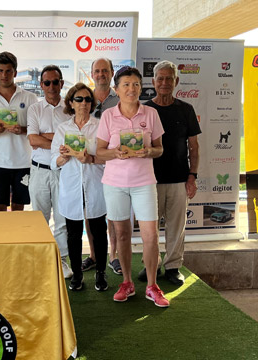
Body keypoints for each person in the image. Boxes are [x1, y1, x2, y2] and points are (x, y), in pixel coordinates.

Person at [96, 66, 169, 307]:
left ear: (141, 87)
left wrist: (150, 151)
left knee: (151, 236)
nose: (131, 89)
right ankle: (126, 282)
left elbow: (160, 149)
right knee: (123, 234)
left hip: (144, 182)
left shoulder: (150, 114)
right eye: (126, 84)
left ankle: (152, 285)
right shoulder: (108, 116)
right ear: (116, 89)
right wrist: (115, 152)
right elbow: (99, 152)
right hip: (115, 184)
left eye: (135, 84)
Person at [139, 60, 201, 286]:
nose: (164, 83)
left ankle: (173, 266)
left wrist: (192, 175)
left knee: (176, 227)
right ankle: (151, 265)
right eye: (160, 79)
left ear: (176, 81)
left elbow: (194, 147)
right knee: (150, 229)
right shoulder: (143, 110)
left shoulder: (186, 109)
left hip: (178, 179)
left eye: (169, 78)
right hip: (148, 181)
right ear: (153, 82)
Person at [51, 83, 108, 291]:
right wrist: (62, 157)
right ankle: (77, 274)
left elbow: (108, 158)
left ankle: (101, 273)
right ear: (70, 103)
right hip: (72, 187)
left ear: (92, 103)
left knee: (99, 231)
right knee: (73, 234)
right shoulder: (62, 129)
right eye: (79, 99)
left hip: (95, 185)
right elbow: (52, 161)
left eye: (87, 99)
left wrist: (90, 159)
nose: (84, 103)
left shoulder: (101, 125)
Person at [27, 65, 72, 278]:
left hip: (64, 171)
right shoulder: (35, 109)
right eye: (47, 82)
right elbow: (32, 139)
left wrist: (46, 136)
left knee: (62, 219)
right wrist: (58, 139)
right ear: (41, 85)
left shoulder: (70, 109)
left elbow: (72, 141)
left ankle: (62, 260)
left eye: (55, 82)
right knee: (39, 218)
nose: (51, 86)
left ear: (62, 83)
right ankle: (42, 260)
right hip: (39, 172)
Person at [0, 52, 37, 212]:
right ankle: (0, 237)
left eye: (8, 71)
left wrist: (22, 130)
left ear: (15, 73)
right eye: (0, 71)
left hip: (23, 162)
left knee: (19, 207)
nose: (4, 75)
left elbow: (36, 130)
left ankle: (18, 237)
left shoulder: (30, 98)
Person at [81, 58, 122, 276]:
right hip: (90, 164)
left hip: (114, 164)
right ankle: (95, 255)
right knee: (91, 211)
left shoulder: (120, 99)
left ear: (112, 73)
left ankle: (113, 256)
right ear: (92, 74)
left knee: (113, 212)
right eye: (97, 71)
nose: (101, 74)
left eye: (104, 71)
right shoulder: (85, 98)